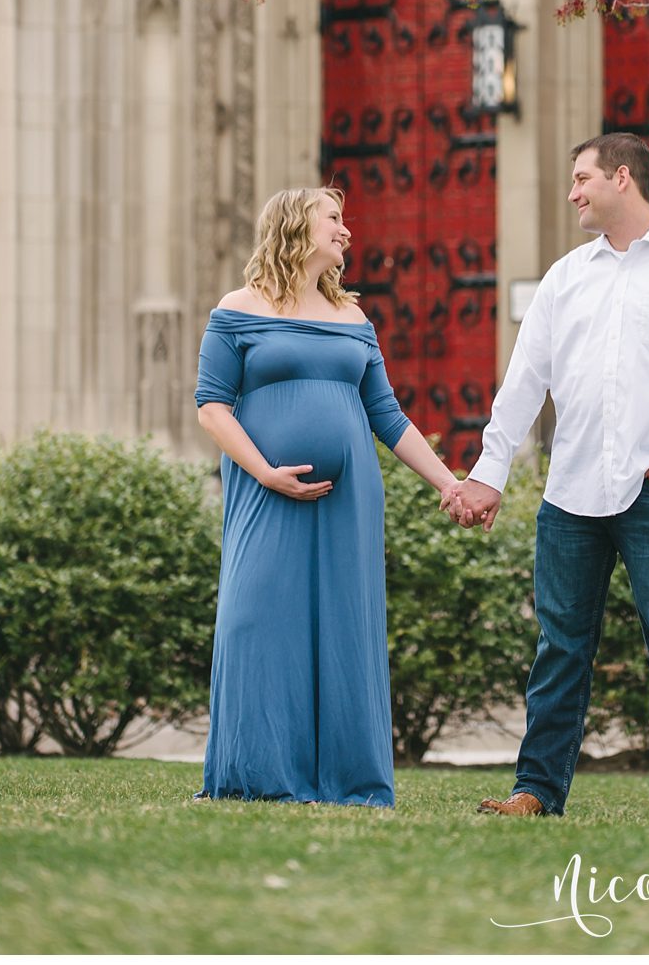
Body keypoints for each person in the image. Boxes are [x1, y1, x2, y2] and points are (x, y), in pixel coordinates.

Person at [452, 133, 649, 827]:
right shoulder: (565, 277)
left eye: (582, 177)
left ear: (623, 177)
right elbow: (525, 381)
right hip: (571, 494)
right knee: (559, 648)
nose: (573, 191)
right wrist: (489, 472)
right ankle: (535, 789)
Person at [195, 186, 463, 804]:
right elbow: (212, 408)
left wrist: (449, 482)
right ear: (295, 227)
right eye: (335, 219)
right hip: (266, 491)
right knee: (256, 619)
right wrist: (265, 472)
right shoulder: (238, 309)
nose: (346, 231)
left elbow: (388, 416)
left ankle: (350, 781)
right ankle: (258, 776)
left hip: (351, 500)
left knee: (346, 625)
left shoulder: (354, 320)